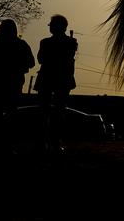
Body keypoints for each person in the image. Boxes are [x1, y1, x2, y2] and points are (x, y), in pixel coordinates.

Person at [0, 19, 35, 132]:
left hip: (4, 85)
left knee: (2, 115)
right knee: (7, 115)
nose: (0, 30)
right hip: (7, 85)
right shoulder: (19, 44)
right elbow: (31, 63)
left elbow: (31, 62)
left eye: (2, 28)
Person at [36, 14, 77, 153]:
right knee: (55, 112)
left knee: (49, 111)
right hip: (60, 79)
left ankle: (48, 142)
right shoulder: (70, 42)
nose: (51, 27)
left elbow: (41, 59)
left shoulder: (46, 42)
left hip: (51, 78)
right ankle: (52, 142)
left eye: (52, 25)